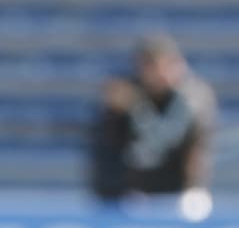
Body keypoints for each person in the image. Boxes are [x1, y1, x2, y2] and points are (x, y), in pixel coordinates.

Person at [89, 34, 217, 202]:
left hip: (178, 191)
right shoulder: (123, 94)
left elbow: (196, 148)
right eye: (152, 66)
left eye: (167, 66)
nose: (161, 74)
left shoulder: (193, 97)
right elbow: (108, 148)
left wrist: (194, 188)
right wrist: (111, 190)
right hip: (130, 193)